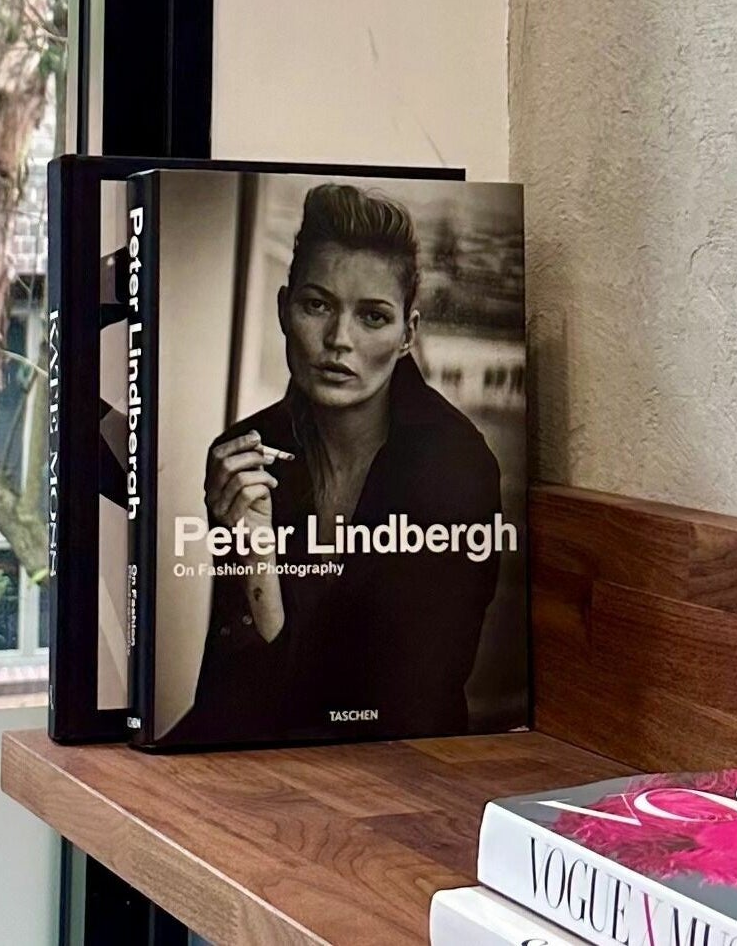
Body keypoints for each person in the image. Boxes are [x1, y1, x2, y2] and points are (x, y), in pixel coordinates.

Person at [163, 182, 504, 743]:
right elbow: (229, 685)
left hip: (407, 764)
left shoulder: (456, 467)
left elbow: (403, 698)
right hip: (260, 750)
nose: (338, 340)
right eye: (316, 305)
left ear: (406, 334)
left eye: (372, 317)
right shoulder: (246, 451)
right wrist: (252, 561)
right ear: (283, 309)